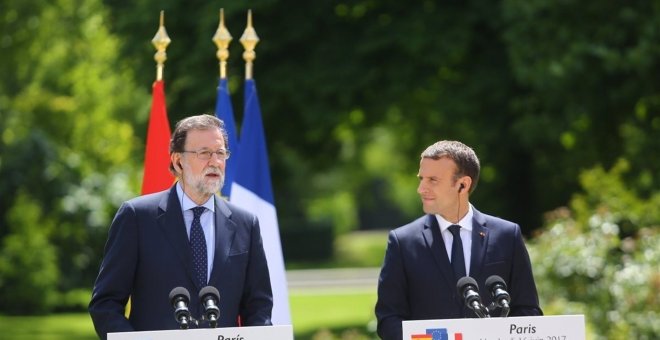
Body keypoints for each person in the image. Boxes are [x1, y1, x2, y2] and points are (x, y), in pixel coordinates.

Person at [89, 114, 273, 339]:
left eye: (220, 153)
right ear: (177, 161)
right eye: (204, 153)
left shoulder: (246, 223)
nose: (215, 161)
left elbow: (259, 307)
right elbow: (105, 304)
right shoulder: (137, 217)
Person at [375, 140, 542, 340]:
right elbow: (389, 319)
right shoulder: (402, 242)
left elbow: (528, 311)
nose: (421, 188)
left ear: (463, 185)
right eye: (421, 178)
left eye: (432, 180)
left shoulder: (507, 235)